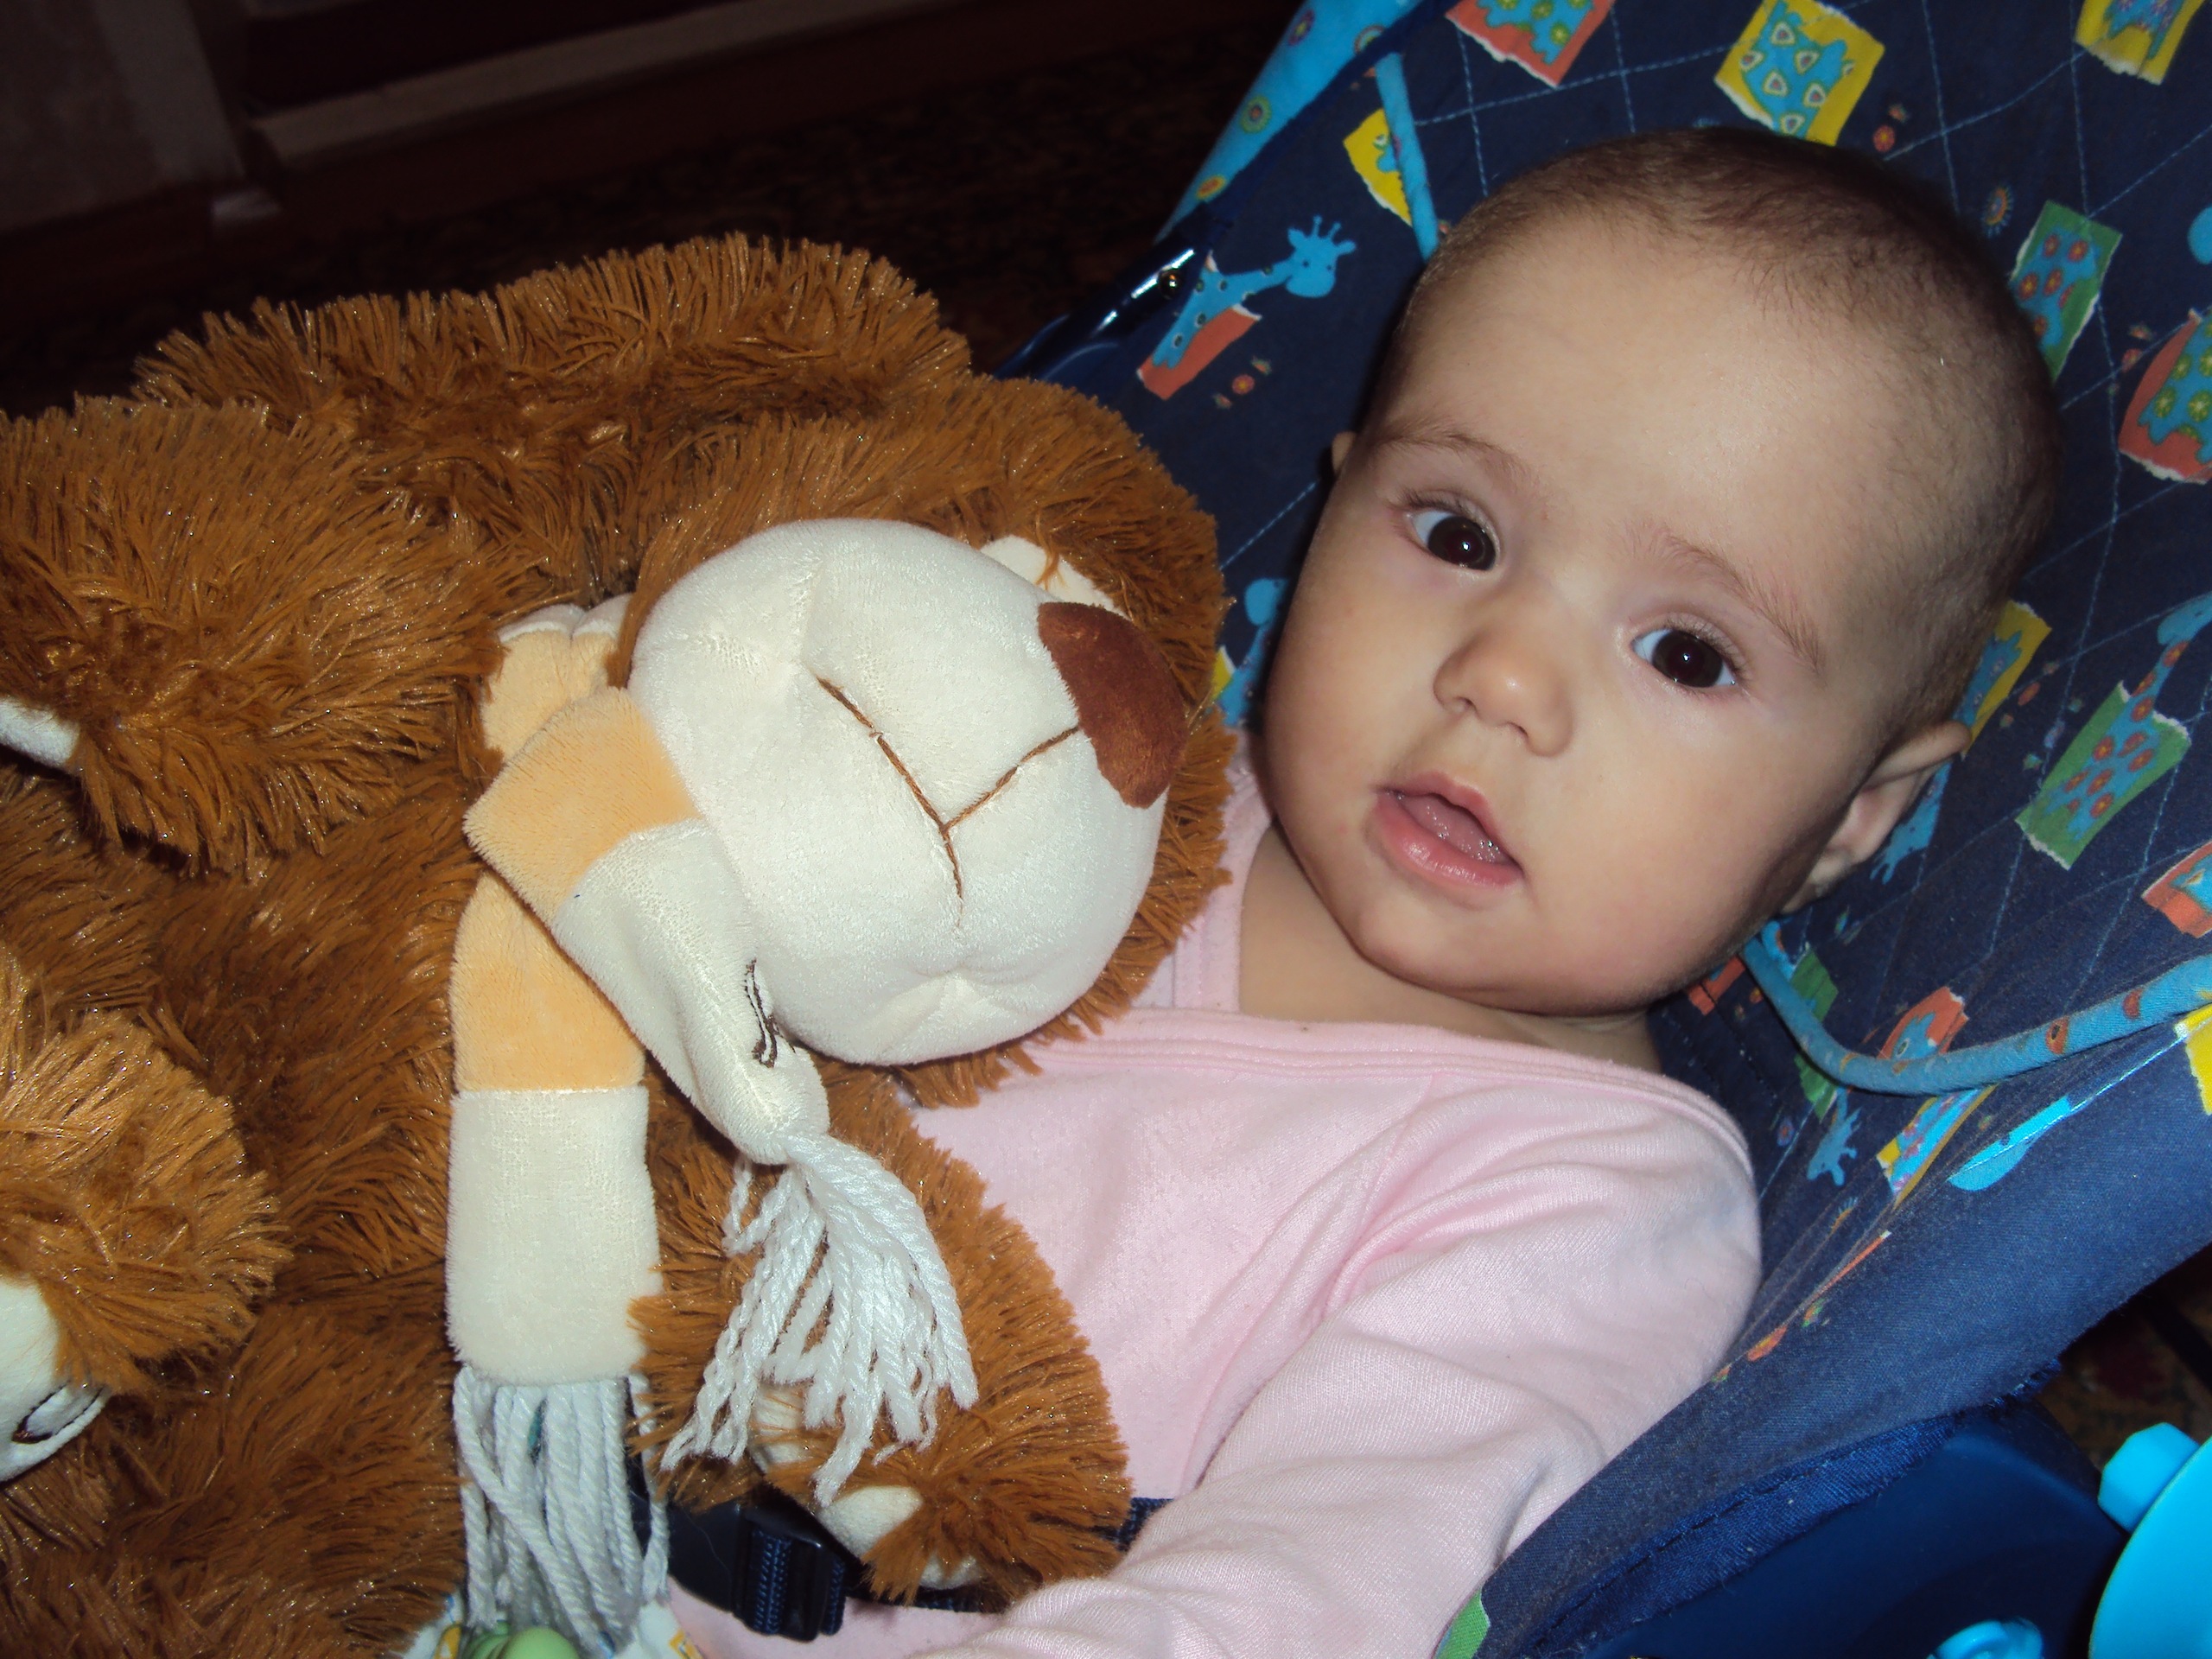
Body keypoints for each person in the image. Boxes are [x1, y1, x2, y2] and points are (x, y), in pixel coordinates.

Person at [674, 125, 2061, 1659]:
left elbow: (1306, 1600)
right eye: (1459, 535)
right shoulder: (1101, 782)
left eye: (1686, 653)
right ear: (1335, 505)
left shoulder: (1591, 1211)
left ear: (1853, 814)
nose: (1502, 677)